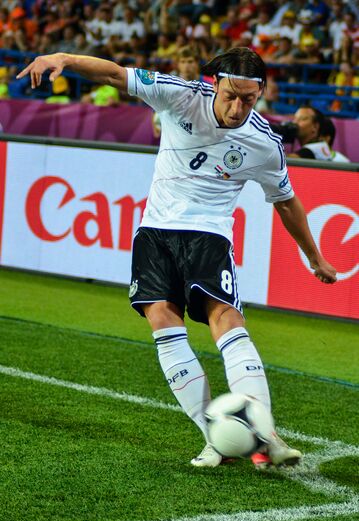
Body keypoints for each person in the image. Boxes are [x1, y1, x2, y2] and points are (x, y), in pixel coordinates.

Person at [17, 47, 337, 470]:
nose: (238, 107)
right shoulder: (178, 95)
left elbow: (286, 202)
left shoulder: (264, 142)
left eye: (249, 99)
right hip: (155, 232)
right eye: (231, 95)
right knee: (162, 322)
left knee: (225, 319)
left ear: (260, 94)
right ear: (215, 83)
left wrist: (313, 256)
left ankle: (267, 435)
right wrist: (62, 58)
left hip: (208, 234)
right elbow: (115, 74)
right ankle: (215, 438)